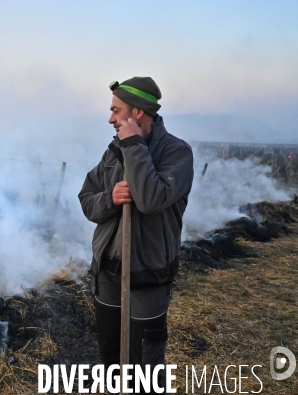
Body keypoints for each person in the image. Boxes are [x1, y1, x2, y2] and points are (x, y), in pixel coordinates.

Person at [78, 77, 194, 393]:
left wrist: (134, 146)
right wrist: (109, 199)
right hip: (110, 274)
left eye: (116, 111)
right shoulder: (113, 152)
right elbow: (87, 200)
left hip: (148, 276)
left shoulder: (176, 153)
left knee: (144, 366)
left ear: (137, 114)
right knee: (111, 355)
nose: (110, 119)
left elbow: (150, 199)